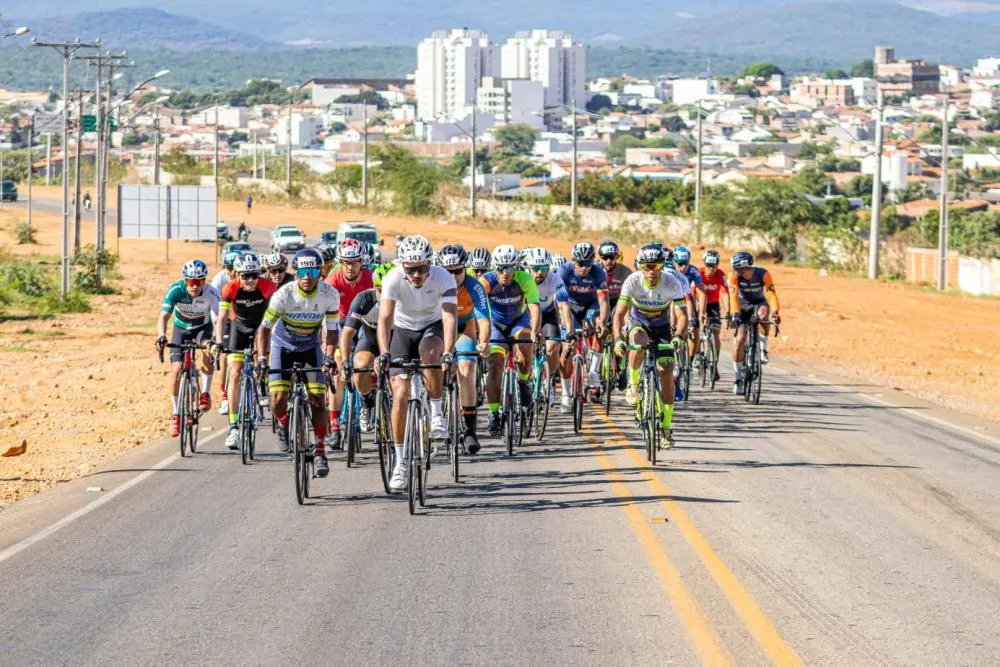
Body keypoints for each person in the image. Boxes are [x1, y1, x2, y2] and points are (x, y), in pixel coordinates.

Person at [376, 235, 458, 493]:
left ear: (430, 264)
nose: (417, 274)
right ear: (402, 266)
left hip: (432, 327)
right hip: (403, 330)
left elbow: (449, 317)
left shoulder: (443, 277)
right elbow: (384, 319)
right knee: (399, 394)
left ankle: (436, 415)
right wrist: (385, 353)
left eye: (422, 268)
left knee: (430, 356)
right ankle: (400, 462)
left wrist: (449, 351)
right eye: (411, 270)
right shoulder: (392, 279)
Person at [257, 248, 340, 478]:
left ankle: (321, 449)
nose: (307, 276)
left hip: (311, 349)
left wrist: (330, 354)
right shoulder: (284, 295)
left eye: (312, 271)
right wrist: (262, 358)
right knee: (277, 399)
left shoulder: (330, 295)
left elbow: (332, 331)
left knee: (317, 400)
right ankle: (283, 422)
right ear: (295, 274)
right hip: (282, 347)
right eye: (302, 271)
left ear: (320, 273)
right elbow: (264, 330)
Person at [613, 243, 687, 446]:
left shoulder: (672, 283)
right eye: (646, 266)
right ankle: (634, 384)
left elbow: (681, 314)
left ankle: (666, 427)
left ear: (662, 265)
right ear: (639, 266)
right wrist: (619, 338)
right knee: (638, 341)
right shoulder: (632, 281)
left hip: (662, 327)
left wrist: (679, 335)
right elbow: (619, 314)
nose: (651, 271)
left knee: (667, 370)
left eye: (655, 266)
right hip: (640, 323)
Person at [215, 253, 277, 450]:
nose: (250, 280)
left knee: (266, 360)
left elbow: (277, 316)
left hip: (262, 327)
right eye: (245, 276)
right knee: (235, 373)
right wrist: (218, 341)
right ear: (236, 275)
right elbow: (223, 317)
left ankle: (264, 386)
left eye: (254, 275)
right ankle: (233, 427)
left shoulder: (268, 286)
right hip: (238, 329)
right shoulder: (229, 287)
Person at [478, 244, 541, 436]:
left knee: (525, 344)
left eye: (510, 268)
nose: (505, 273)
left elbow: (534, 306)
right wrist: (482, 339)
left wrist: (534, 332)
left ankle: (523, 382)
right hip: (495, 324)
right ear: (494, 267)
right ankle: (494, 412)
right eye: (501, 269)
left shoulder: (525, 279)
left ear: (517, 267)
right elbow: (479, 311)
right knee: (496, 363)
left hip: (518, 321)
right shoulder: (486, 281)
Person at [155, 260, 220, 437]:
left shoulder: (211, 292)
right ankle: (176, 414)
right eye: (191, 281)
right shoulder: (175, 290)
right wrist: (161, 335)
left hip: (202, 328)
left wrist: (216, 340)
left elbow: (217, 320)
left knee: (209, 349)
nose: (195, 285)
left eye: (200, 281)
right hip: (181, 329)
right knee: (176, 370)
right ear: (185, 281)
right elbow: (163, 317)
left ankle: (205, 392)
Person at [437, 244, 491, 454]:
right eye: (447, 272)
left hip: (463, 327)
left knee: (467, 367)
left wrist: (484, 342)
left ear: (465, 269)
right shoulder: (432, 284)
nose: (452, 276)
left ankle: (469, 430)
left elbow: (484, 320)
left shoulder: (474, 286)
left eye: (457, 271)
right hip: (439, 328)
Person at [325, 238, 374, 449]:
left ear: (362, 262)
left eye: (354, 262)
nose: (350, 266)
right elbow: (324, 317)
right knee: (337, 373)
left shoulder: (371, 278)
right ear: (340, 262)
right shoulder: (332, 280)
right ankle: (335, 428)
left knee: (366, 364)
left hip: (363, 322)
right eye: (345, 262)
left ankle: (366, 399)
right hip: (340, 322)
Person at [339, 263, 395, 434]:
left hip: (396, 343)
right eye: (379, 289)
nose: (384, 294)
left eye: (389, 290)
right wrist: (344, 362)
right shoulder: (364, 300)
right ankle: (366, 402)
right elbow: (347, 333)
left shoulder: (404, 301)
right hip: (370, 340)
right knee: (360, 365)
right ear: (374, 287)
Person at [555, 241, 609, 409]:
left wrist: (603, 322)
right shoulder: (564, 271)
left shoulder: (599, 273)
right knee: (565, 351)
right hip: (569, 307)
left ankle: (593, 371)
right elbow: (558, 301)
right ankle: (565, 394)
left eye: (588, 263)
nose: (584, 267)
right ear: (573, 260)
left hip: (591, 305)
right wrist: (562, 321)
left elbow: (604, 301)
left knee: (600, 326)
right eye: (580, 263)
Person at [727, 251, 780, 394]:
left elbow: (771, 293)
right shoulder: (733, 276)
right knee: (740, 339)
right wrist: (735, 314)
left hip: (758, 303)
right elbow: (733, 296)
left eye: (735, 268)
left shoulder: (763, 274)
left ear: (744, 267)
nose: (733, 270)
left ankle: (762, 349)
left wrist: (775, 311)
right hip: (742, 305)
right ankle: (738, 378)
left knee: (764, 314)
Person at [523, 247, 567, 406]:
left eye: (544, 268)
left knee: (552, 346)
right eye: (535, 268)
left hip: (548, 314)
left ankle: (548, 381)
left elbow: (563, 305)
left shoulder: (555, 279)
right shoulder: (523, 277)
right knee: (524, 346)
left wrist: (568, 329)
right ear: (528, 267)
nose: (539, 272)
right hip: (526, 315)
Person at [672, 246, 707, 366]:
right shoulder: (668, 271)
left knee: (695, 331)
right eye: (680, 264)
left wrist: (702, 312)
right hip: (671, 301)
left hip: (687, 300)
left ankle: (689, 363)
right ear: (674, 262)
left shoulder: (693, 271)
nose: (683, 267)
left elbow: (701, 292)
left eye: (686, 263)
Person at [699, 249, 729, 383]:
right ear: (704, 263)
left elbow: (724, 293)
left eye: (714, 265)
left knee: (716, 333)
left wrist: (728, 311)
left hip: (714, 305)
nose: (711, 268)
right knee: (701, 327)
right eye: (708, 265)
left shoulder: (721, 274)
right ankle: (700, 350)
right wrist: (700, 311)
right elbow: (695, 293)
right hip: (699, 304)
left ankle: (714, 363)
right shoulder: (699, 273)